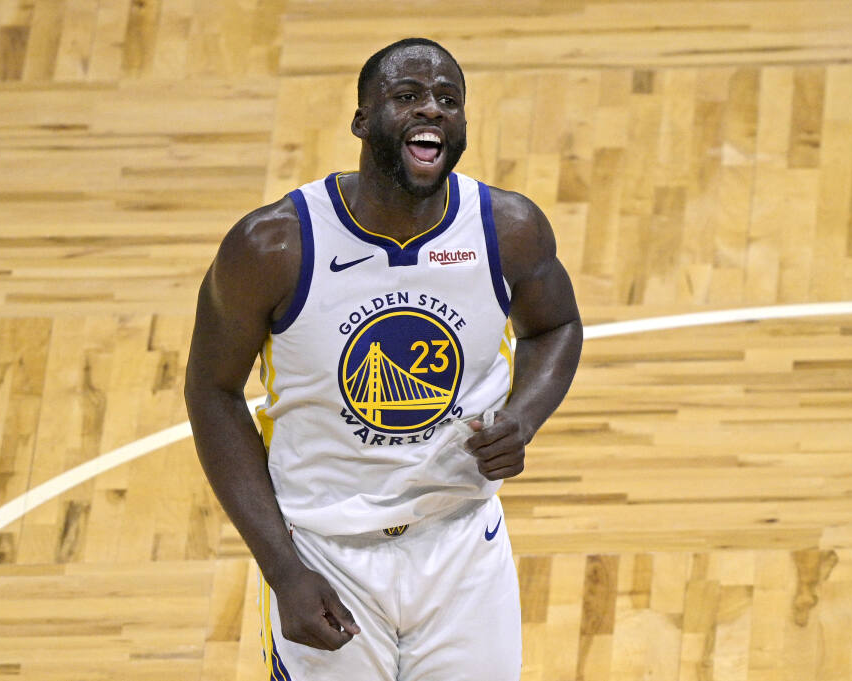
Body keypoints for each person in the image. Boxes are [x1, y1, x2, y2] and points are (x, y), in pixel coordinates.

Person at [184, 37, 582, 681]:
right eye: (408, 97)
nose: (432, 111)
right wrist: (283, 568)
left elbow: (556, 325)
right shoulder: (272, 246)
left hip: (462, 540)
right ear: (363, 121)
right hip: (324, 551)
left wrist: (524, 418)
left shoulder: (506, 228)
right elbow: (211, 392)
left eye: (448, 100)